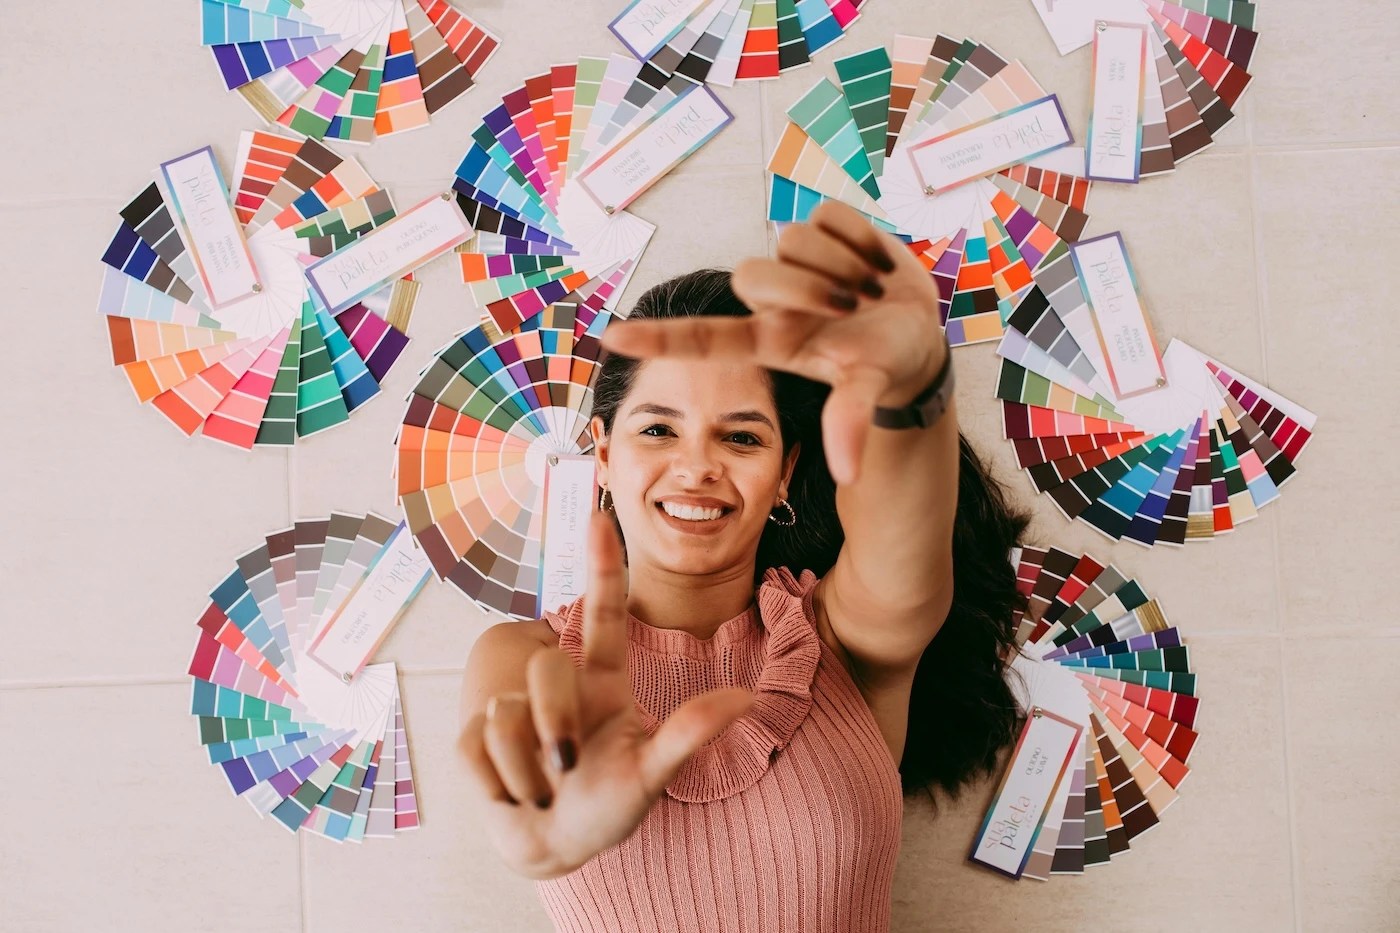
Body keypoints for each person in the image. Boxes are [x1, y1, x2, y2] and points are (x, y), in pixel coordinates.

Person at [457, 202, 1028, 932]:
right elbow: (521, 811)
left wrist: (914, 383)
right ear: (603, 453)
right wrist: (543, 837)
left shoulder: (840, 639)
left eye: (742, 436)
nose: (695, 466)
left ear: (786, 471)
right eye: (658, 428)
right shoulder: (523, 656)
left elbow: (902, 526)